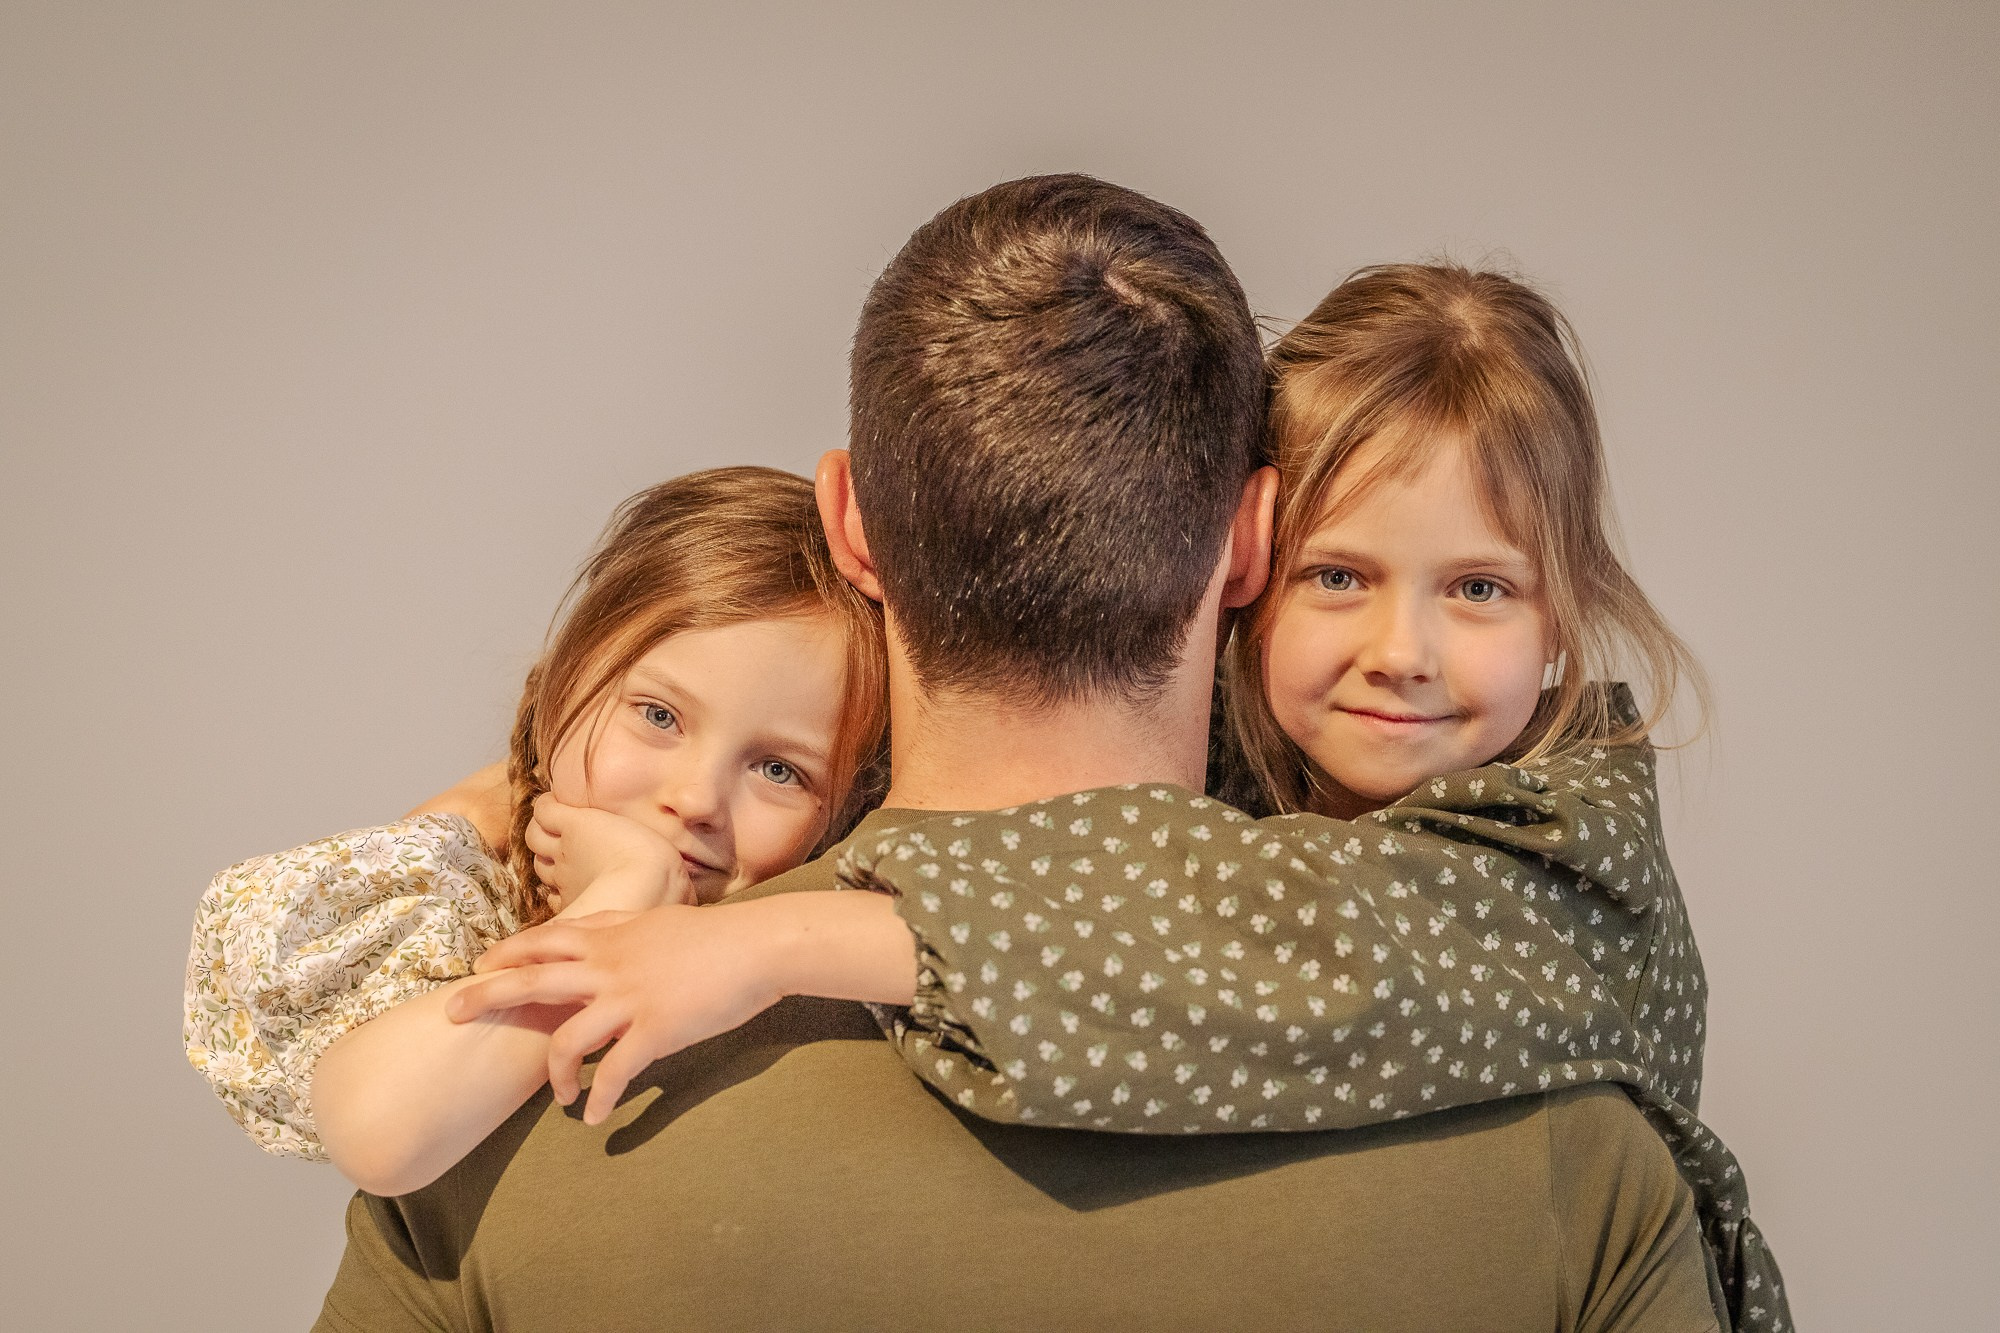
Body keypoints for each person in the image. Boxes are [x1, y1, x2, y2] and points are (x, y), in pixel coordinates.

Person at [314, 174, 1725, 1331]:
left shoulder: (514, 1097)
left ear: (852, 525)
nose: (1404, 646)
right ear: (1250, 544)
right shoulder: (1557, 1119)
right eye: (1346, 574)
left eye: (1475, 588)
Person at [183, 466, 892, 1192]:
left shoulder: (827, 930)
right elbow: (380, 1133)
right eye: (658, 715)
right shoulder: (458, 891)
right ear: (560, 688)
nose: (695, 799)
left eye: (779, 770)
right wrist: (627, 890)